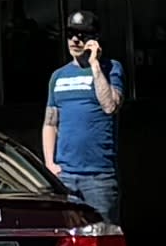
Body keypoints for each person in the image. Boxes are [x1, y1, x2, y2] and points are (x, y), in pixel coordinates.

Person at [43, 18, 124, 221]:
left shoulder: (111, 69)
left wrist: (95, 65)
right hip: (66, 176)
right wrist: (50, 164)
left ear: (95, 39)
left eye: (82, 34)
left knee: (103, 238)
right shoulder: (58, 76)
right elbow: (50, 123)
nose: (75, 40)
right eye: (71, 34)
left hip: (99, 176)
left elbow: (110, 106)